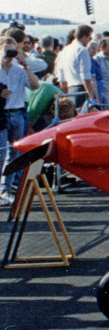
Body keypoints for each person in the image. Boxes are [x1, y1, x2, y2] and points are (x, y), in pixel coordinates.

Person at [0, 35, 41, 205]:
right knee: (1, 154)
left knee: (15, 154)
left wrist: (26, 65)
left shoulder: (19, 69)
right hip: (1, 114)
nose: (9, 54)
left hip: (17, 113)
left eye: (13, 51)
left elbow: (35, 86)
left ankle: (5, 190)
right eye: (6, 50)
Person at [66, 25, 98, 109]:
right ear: (84, 37)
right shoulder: (82, 50)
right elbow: (85, 75)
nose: (89, 41)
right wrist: (91, 96)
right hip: (81, 90)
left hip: (70, 90)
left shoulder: (66, 49)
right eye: (89, 38)